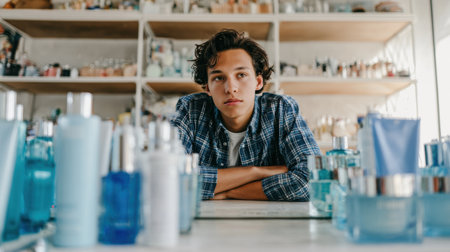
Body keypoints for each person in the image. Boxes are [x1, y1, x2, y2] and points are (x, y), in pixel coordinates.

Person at [172, 29, 320, 201]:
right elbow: (168, 178)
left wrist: (227, 192)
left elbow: (313, 178)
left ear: (258, 82)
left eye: (241, 75)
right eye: (219, 78)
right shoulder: (190, 110)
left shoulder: (281, 110)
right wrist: (255, 172)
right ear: (208, 88)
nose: (231, 88)